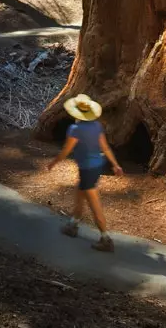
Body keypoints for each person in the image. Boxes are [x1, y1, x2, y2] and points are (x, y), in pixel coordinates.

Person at [46, 93, 123, 252]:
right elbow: (105, 147)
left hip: (88, 169)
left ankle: (105, 238)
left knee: (94, 205)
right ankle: (73, 225)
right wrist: (115, 165)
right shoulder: (97, 126)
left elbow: (67, 150)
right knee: (79, 193)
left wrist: (54, 162)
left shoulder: (76, 129)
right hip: (95, 166)